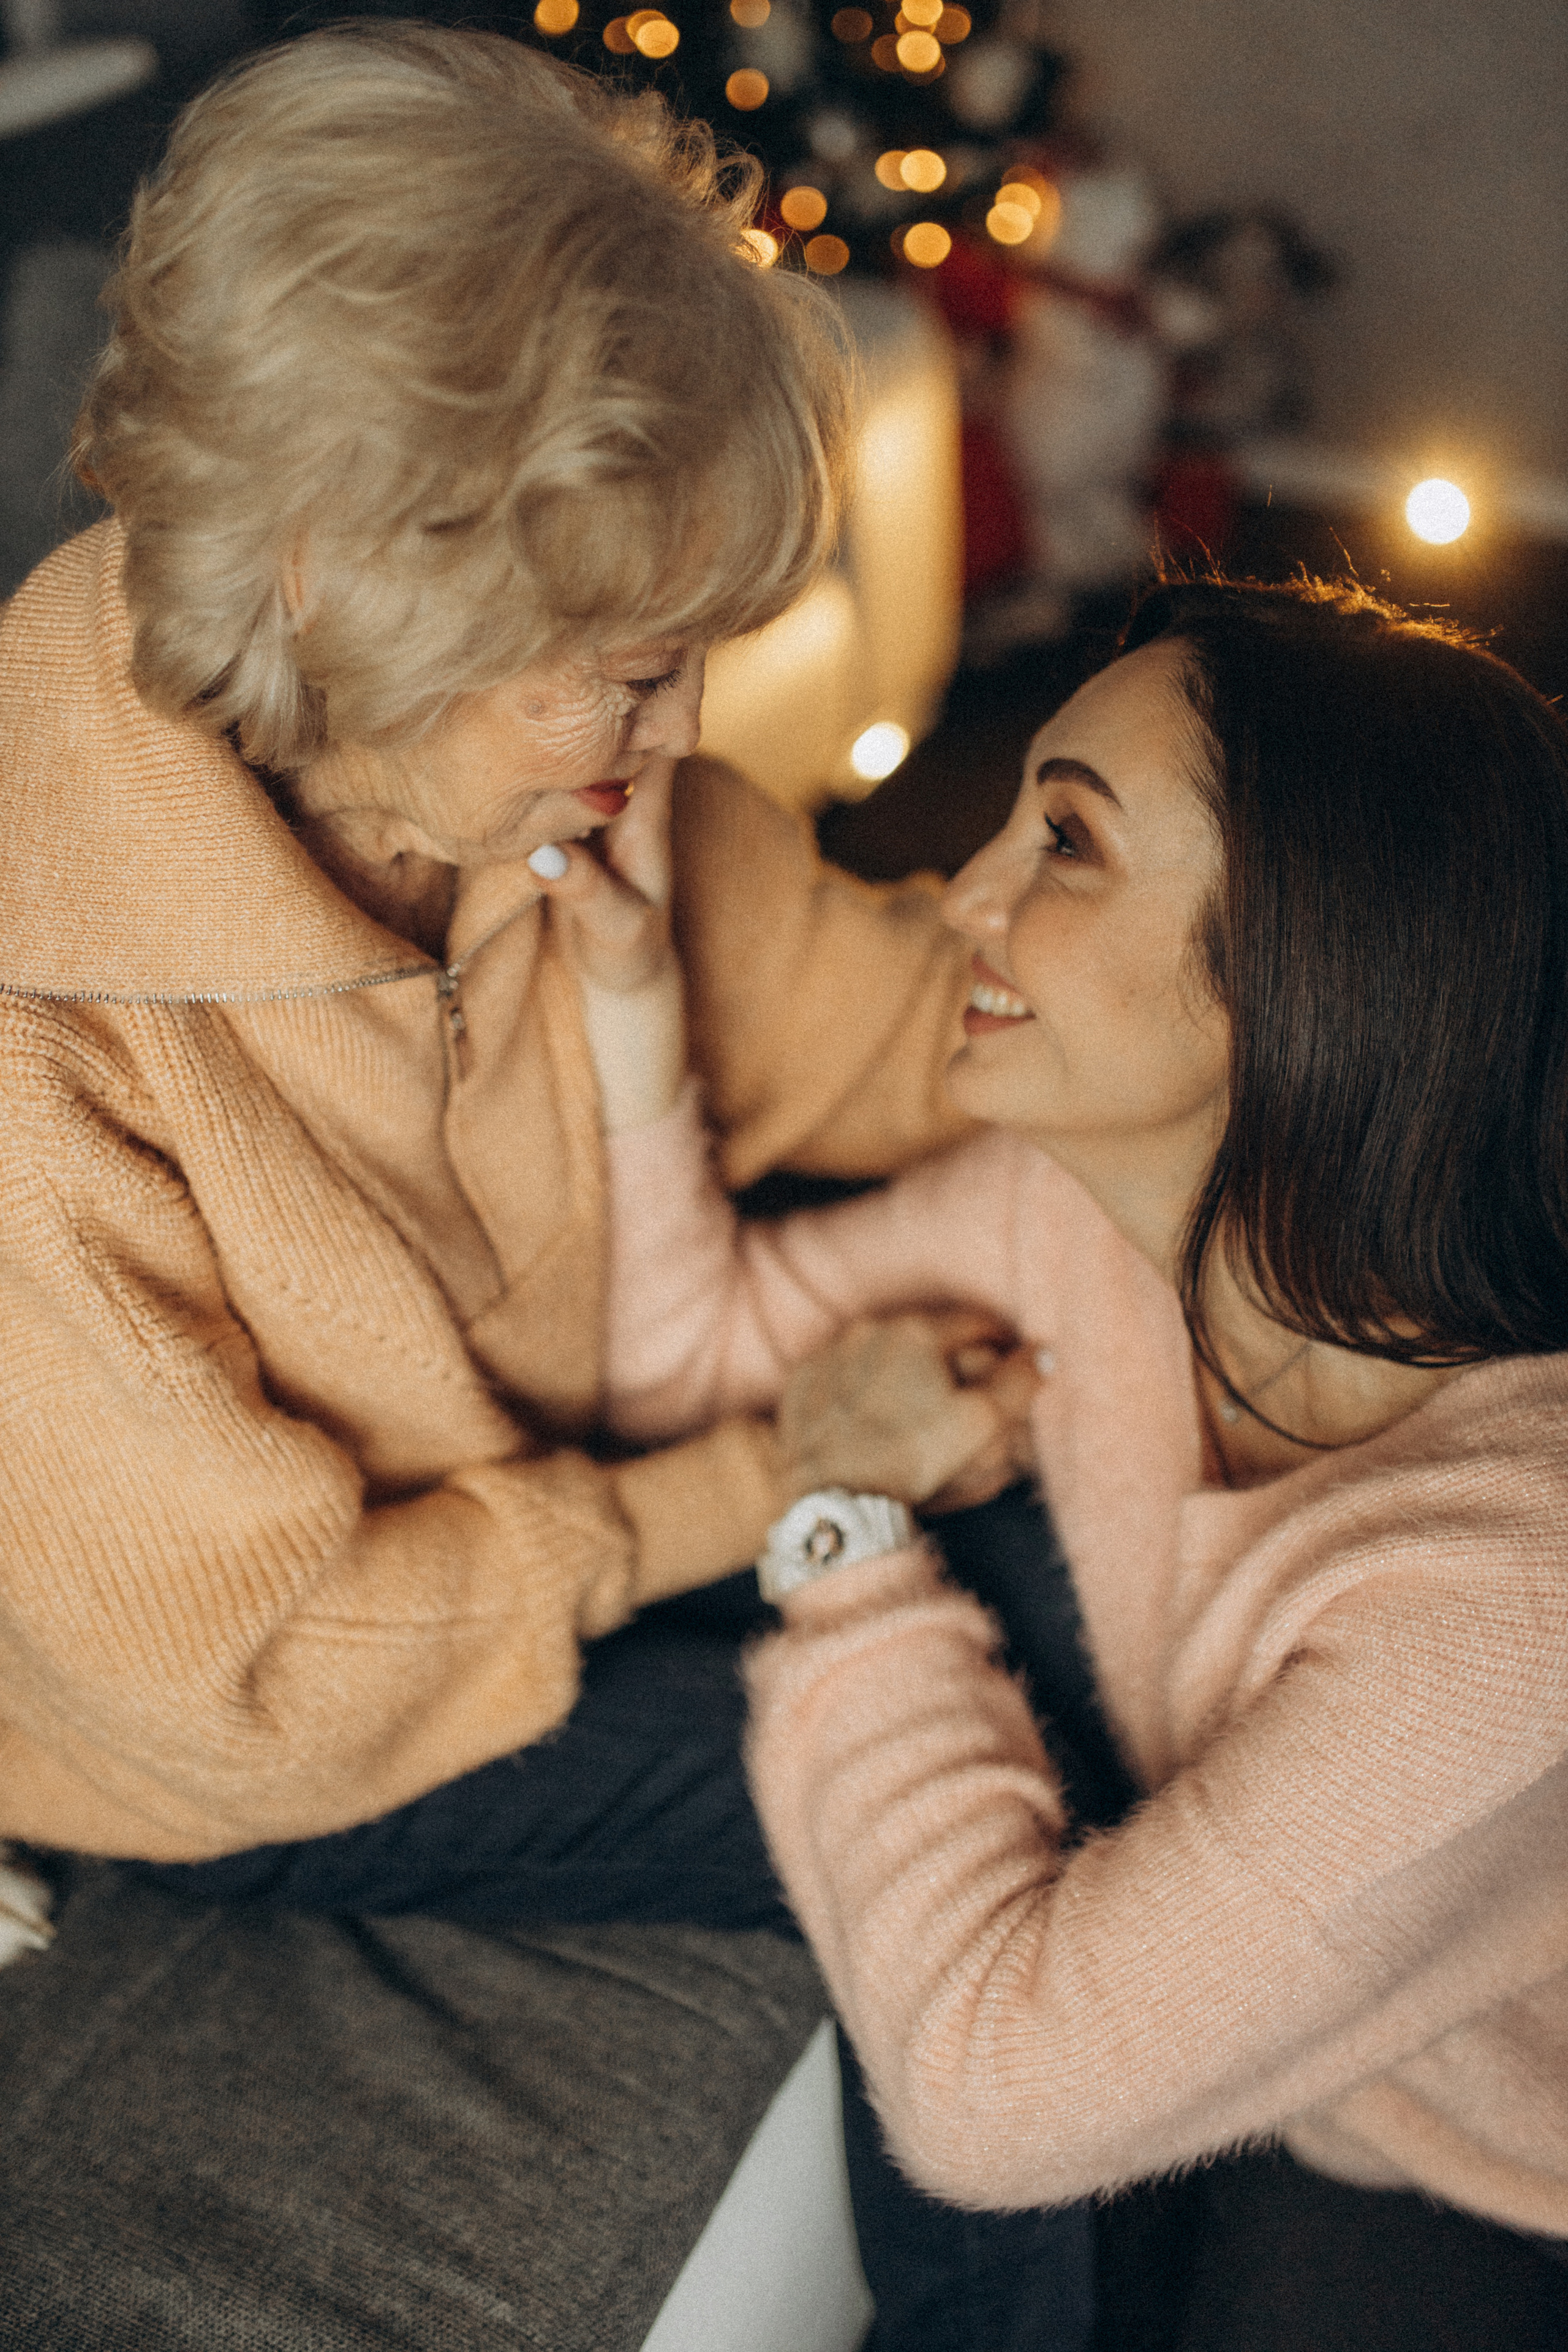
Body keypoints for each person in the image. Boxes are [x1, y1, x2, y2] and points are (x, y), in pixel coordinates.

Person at [0, 22, 975, 1876]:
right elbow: (250, 1679)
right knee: (921, 1798)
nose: (689, 739)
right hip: (263, 1721)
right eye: (622, 678)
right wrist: (781, 1475)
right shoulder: (36, 1054)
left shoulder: (555, 805)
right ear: (333, 583)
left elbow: (892, 1025)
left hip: (563, 1497)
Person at [556, 574, 1568, 2348]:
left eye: (1070, 843)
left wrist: (844, 1534)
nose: (967, 892)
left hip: (1509, 2167)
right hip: (1312, 2073)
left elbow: (985, 2095)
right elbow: (685, 1371)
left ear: (1307, 957)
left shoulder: (1504, 1589)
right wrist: (636, 1012)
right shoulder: (1082, 1213)